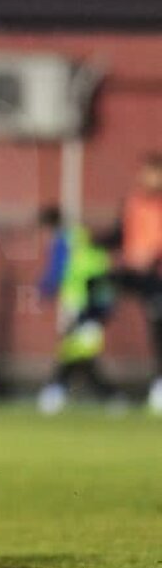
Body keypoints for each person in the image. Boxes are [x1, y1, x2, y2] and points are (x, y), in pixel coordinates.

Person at [35, 206, 119, 414]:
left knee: (75, 352)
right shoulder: (81, 238)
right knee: (77, 352)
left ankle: (58, 391)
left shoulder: (63, 242)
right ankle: (106, 396)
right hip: (96, 306)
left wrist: (42, 291)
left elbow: (57, 272)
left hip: (86, 307)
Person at [98, 153, 162, 413]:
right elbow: (120, 235)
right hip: (131, 272)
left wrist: (153, 256)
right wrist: (93, 242)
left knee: (158, 331)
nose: (148, 177)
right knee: (94, 303)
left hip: (156, 277)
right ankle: (71, 374)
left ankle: (159, 385)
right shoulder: (133, 202)